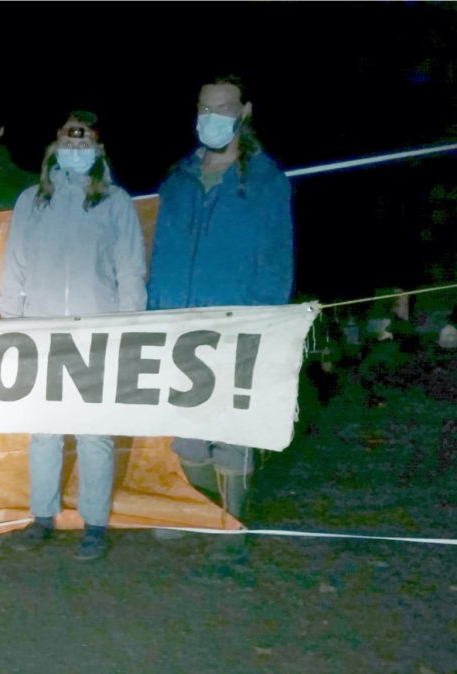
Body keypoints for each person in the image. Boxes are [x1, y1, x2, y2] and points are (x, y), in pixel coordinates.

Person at [145, 76, 294, 564]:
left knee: (231, 434)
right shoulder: (178, 179)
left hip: (237, 326)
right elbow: (161, 252)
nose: (213, 116)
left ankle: (230, 527)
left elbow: (276, 261)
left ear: (244, 111)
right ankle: (200, 510)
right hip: (178, 325)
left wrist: (262, 324)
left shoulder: (266, 181)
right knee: (187, 432)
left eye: (224, 107)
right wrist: (154, 314)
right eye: (205, 107)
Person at [0, 111, 147, 560]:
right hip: (41, 334)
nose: (76, 152)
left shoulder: (116, 201)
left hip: (97, 334)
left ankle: (95, 523)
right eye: (68, 143)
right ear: (54, 148)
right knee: (43, 431)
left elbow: (130, 267)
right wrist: (12, 326)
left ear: (98, 151)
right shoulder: (32, 200)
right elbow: (16, 264)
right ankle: (42, 517)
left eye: (85, 146)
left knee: (93, 433)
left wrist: (128, 327)